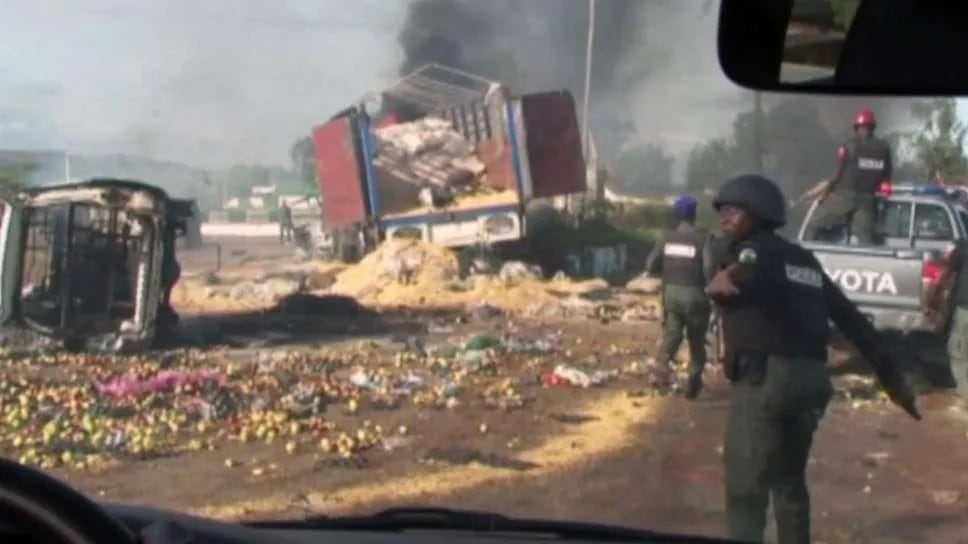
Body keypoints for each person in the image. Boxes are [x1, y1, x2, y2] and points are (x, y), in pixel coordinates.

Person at [705, 173, 921, 544]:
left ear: (758, 214)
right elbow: (853, 321)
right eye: (722, 210)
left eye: (734, 211)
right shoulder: (804, 261)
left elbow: (743, 273)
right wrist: (893, 381)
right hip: (810, 382)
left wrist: (725, 282)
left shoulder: (753, 252)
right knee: (789, 485)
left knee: (746, 491)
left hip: (766, 382)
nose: (725, 217)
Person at [645, 195, 714, 398]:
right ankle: (693, 380)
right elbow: (709, 268)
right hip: (695, 295)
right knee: (696, 340)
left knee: (672, 333)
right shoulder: (703, 238)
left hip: (671, 294)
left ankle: (661, 366)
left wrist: (664, 270)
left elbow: (651, 264)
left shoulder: (666, 237)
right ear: (694, 214)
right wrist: (712, 290)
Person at [809, 108, 892, 245]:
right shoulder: (883, 148)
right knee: (865, 237)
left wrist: (829, 187)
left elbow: (839, 172)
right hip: (868, 199)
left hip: (846, 195)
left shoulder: (849, 145)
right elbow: (887, 175)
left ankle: (807, 250)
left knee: (815, 222)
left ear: (857, 127)